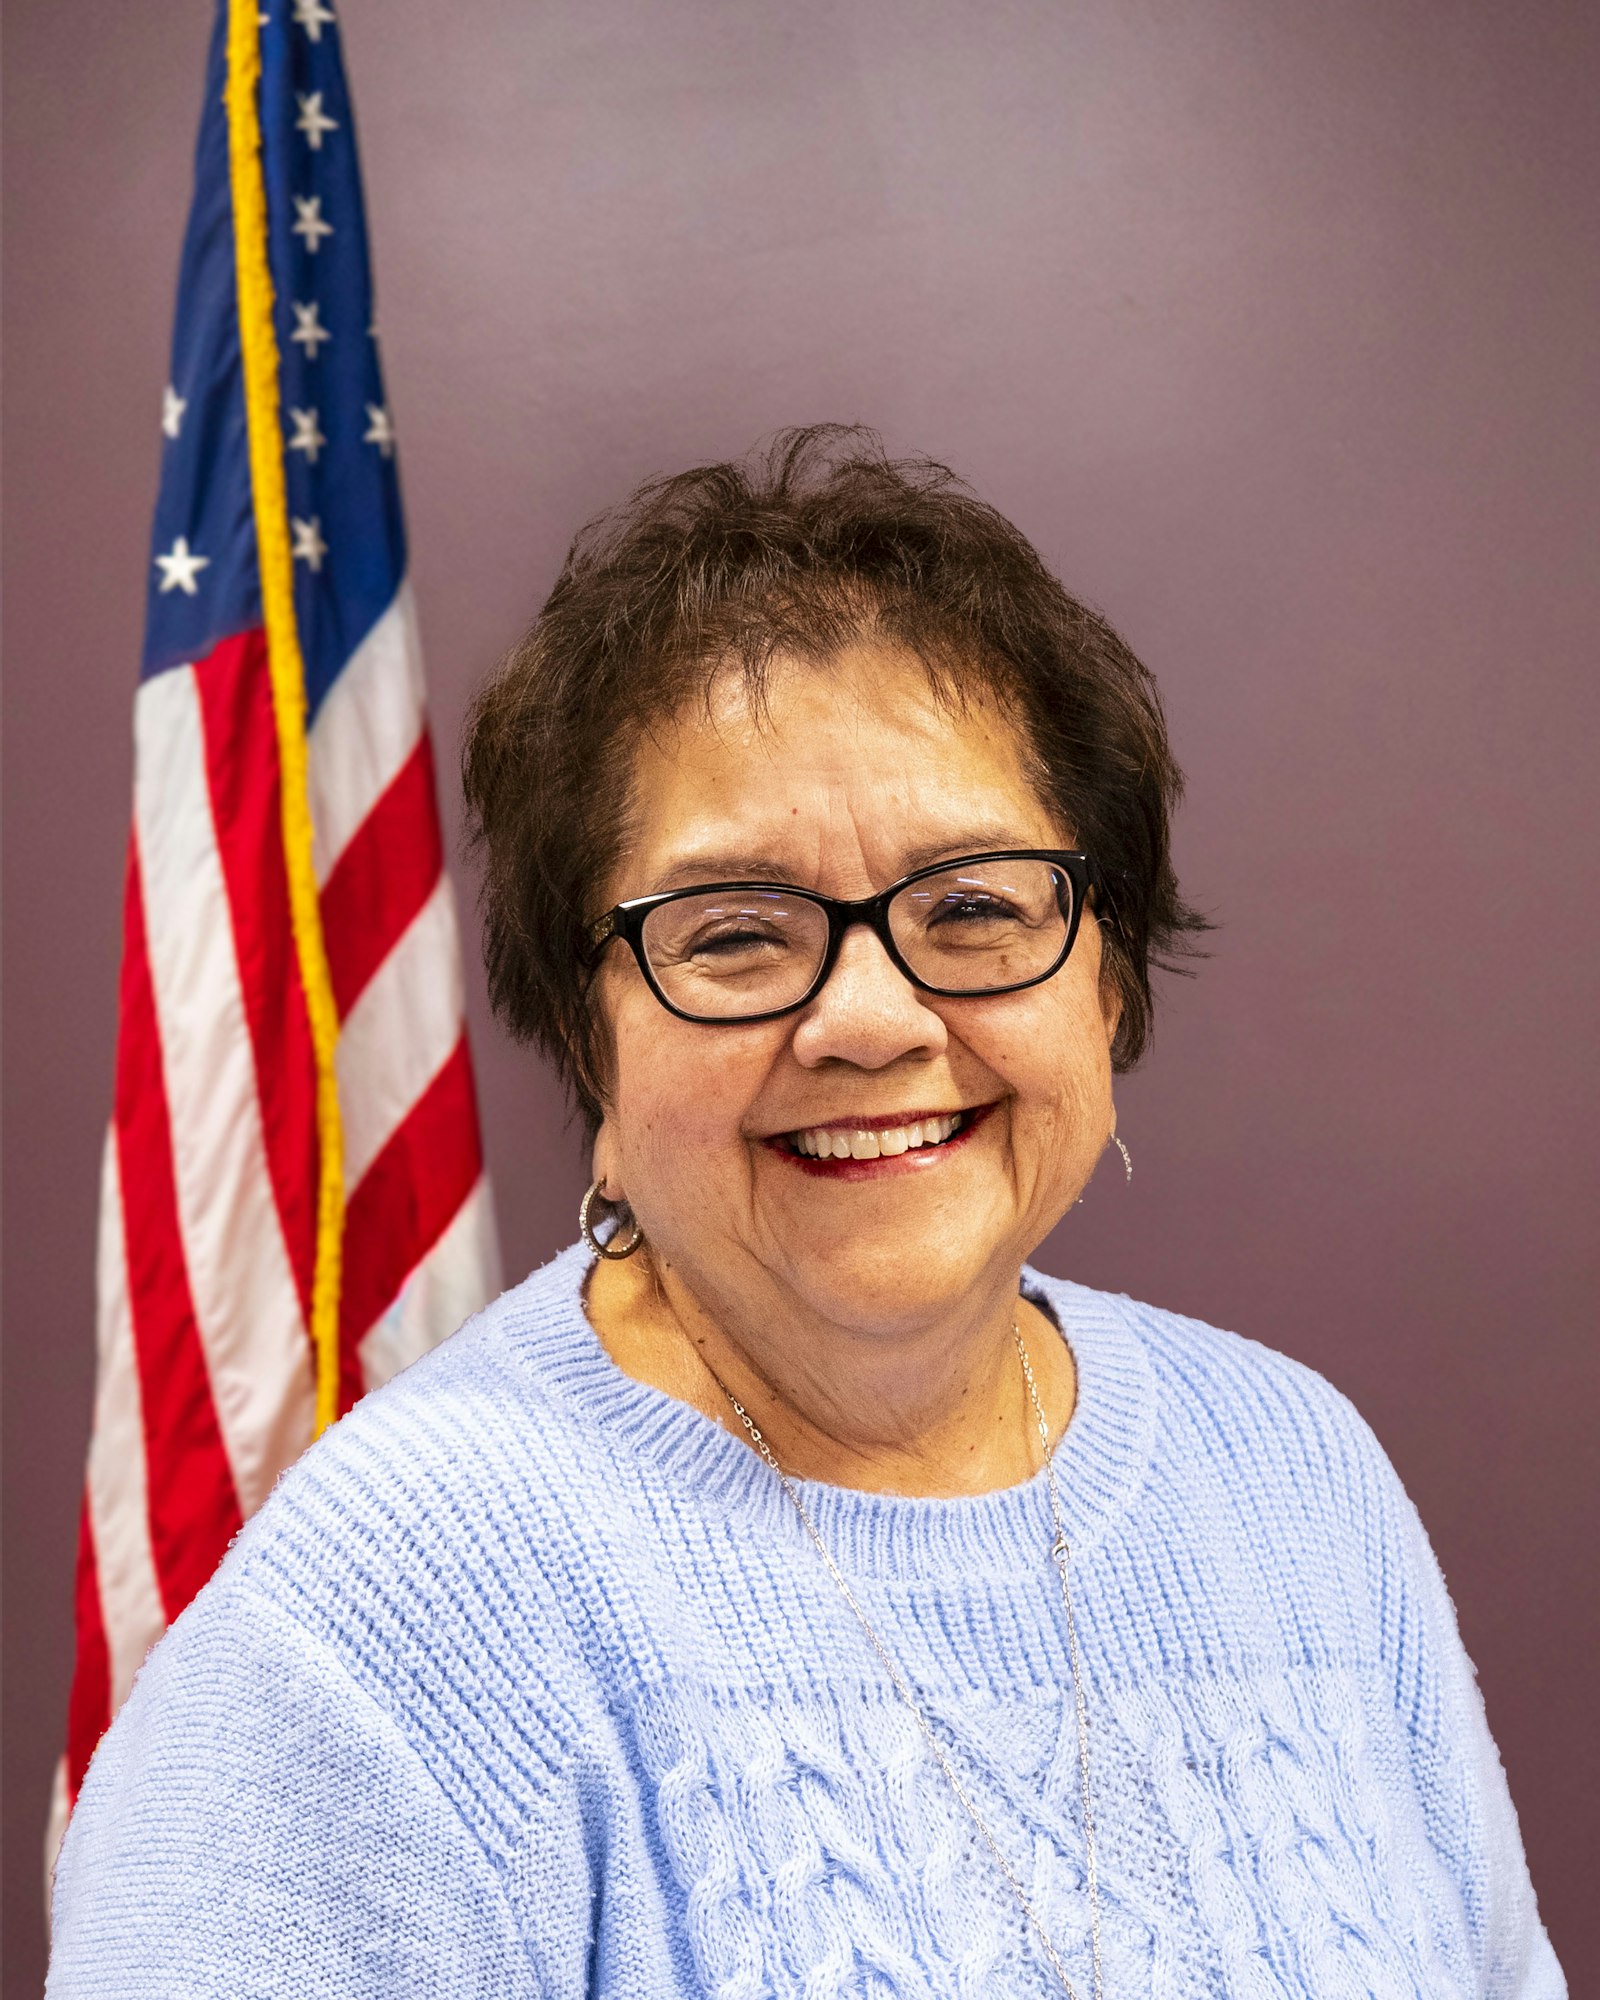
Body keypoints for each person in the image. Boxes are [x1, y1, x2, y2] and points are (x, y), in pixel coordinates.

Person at [47, 427, 1564, 1998]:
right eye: (735, 933)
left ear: (1108, 978)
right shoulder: (374, 1639)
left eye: (973, 905)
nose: (871, 1017)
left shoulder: (1296, 1474)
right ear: (591, 1040)